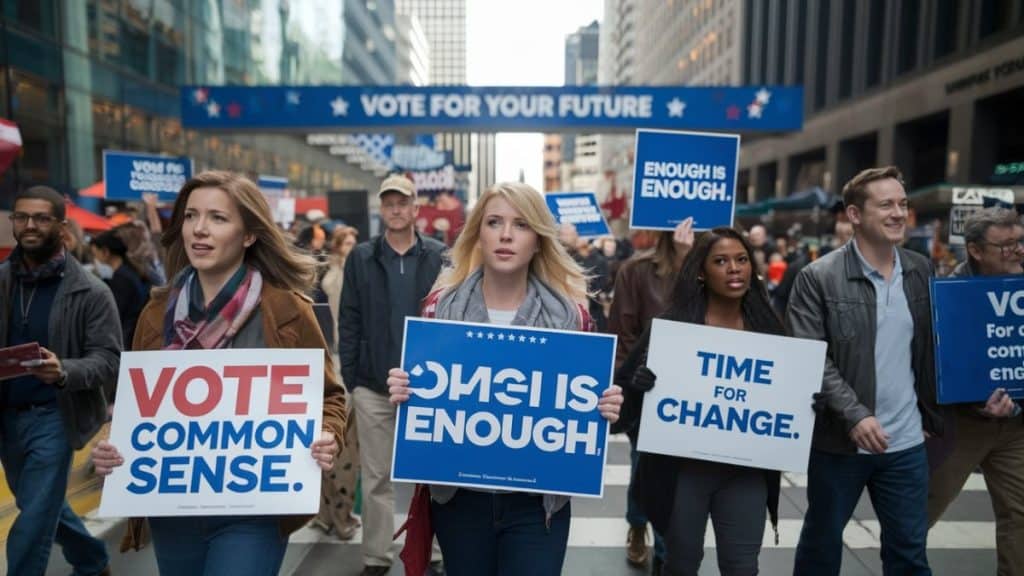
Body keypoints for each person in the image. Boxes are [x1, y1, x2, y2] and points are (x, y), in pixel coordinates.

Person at [90, 170, 347, 576]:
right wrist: (112, 442)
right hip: (172, 507)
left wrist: (327, 432)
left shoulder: (285, 310)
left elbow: (330, 396)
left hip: (256, 508)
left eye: (218, 218)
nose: (199, 230)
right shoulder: (156, 314)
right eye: (191, 216)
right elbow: (136, 404)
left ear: (248, 235)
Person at [387, 182, 624, 576]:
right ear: (478, 233)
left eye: (521, 225)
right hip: (460, 502)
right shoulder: (439, 310)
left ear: (538, 241)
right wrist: (405, 394)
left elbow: (584, 409)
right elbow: (421, 424)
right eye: (494, 222)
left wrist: (604, 405)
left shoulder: (572, 319)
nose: (506, 235)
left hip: (538, 506)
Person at [787, 166, 944, 575]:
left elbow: (935, 348)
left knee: (910, 554)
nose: (898, 213)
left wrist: (931, 411)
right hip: (840, 443)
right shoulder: (817, 277)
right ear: (854, 215)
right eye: (886, 204)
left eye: (903, 204)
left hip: (907, 443)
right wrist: (856, 414)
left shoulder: (920, 270)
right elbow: (808, 355)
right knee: (821, 547)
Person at [616, 226, 784, 576]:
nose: (734, 268)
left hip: (745, 473)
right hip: (682, 474)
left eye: (741, 259)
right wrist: (639, 385)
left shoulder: (769, 330)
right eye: (721, 261)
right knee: (680, 564)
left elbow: (787, 395)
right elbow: (622, 408)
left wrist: (804, 404)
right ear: (701, 272)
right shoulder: (670, 328)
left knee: (742, 567)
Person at [1, 186, 120, 576]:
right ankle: (90, 558)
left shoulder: (91, 291)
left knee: (33, 521)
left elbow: (108, 360)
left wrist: (64, 370)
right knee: (40, 502)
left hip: (55, 415)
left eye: (41, 218)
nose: (29, 225)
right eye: (21, 217)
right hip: (7, 416)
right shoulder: (2, 281)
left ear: (61, 227)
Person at [338, 174, 447, 576]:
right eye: (389, 203)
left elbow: (452, 316)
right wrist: (352, 376)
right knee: (377, 476)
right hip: (373, 384)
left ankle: (433, 551)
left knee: (432, 477)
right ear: (381, 210)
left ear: (417, 209)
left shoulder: (440, 256)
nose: (397, 209)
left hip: (428, 387)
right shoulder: (361, 258)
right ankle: (376, 556)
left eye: (403, 202)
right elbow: (348, 318)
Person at [928, 206, 1024, 573]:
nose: (1017, 251)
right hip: (960, 424)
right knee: (919, 512)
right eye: (1006, 246)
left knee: (1020, 516)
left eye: (1019, 242)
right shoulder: (948, 296)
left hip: (1015, 427)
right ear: (976, 250)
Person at [608, 218, 693, 574]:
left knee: (682, 477)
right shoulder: (636, 270)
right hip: (648, 394)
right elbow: (624, 336)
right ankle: (646, 532)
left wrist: (690, 261)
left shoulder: (718, 266)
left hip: (698, 395)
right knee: (649, 467)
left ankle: (660, 542)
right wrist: (633, 388)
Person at [311, 224, 362, 540]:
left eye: (355, 238)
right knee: (326, 441)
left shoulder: (361, 272)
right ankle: (325, 512)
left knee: (343, 444)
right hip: (329, 355)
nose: (352, 243)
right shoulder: (328, 270)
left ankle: (339, 512)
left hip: (346, 357)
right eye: (347, 239)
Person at [90, 229, 151, 346]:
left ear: (105, 252)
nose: (95, 261)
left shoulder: (121, 280)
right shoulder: (128, 273)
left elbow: (115, 315)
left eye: (95, 254)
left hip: (126, 341)